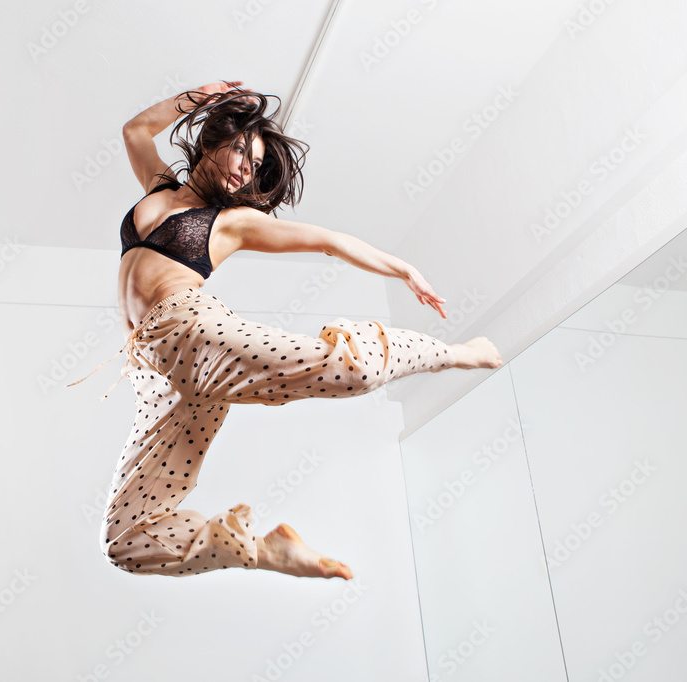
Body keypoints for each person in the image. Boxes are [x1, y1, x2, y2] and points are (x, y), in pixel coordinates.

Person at [68, 81, 502, 580]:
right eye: (238, 151)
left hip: (191, 334)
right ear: (210, 141)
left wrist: (402, 269)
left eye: (252, 166)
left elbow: (329, 241)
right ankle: (264, 551)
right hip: (158, 372)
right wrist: (199, 97)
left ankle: (455, 353)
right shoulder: (160, 188)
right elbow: (135, 130)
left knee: (348, 371)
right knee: (124, 538)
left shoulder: (231, 222)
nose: (242, 169)